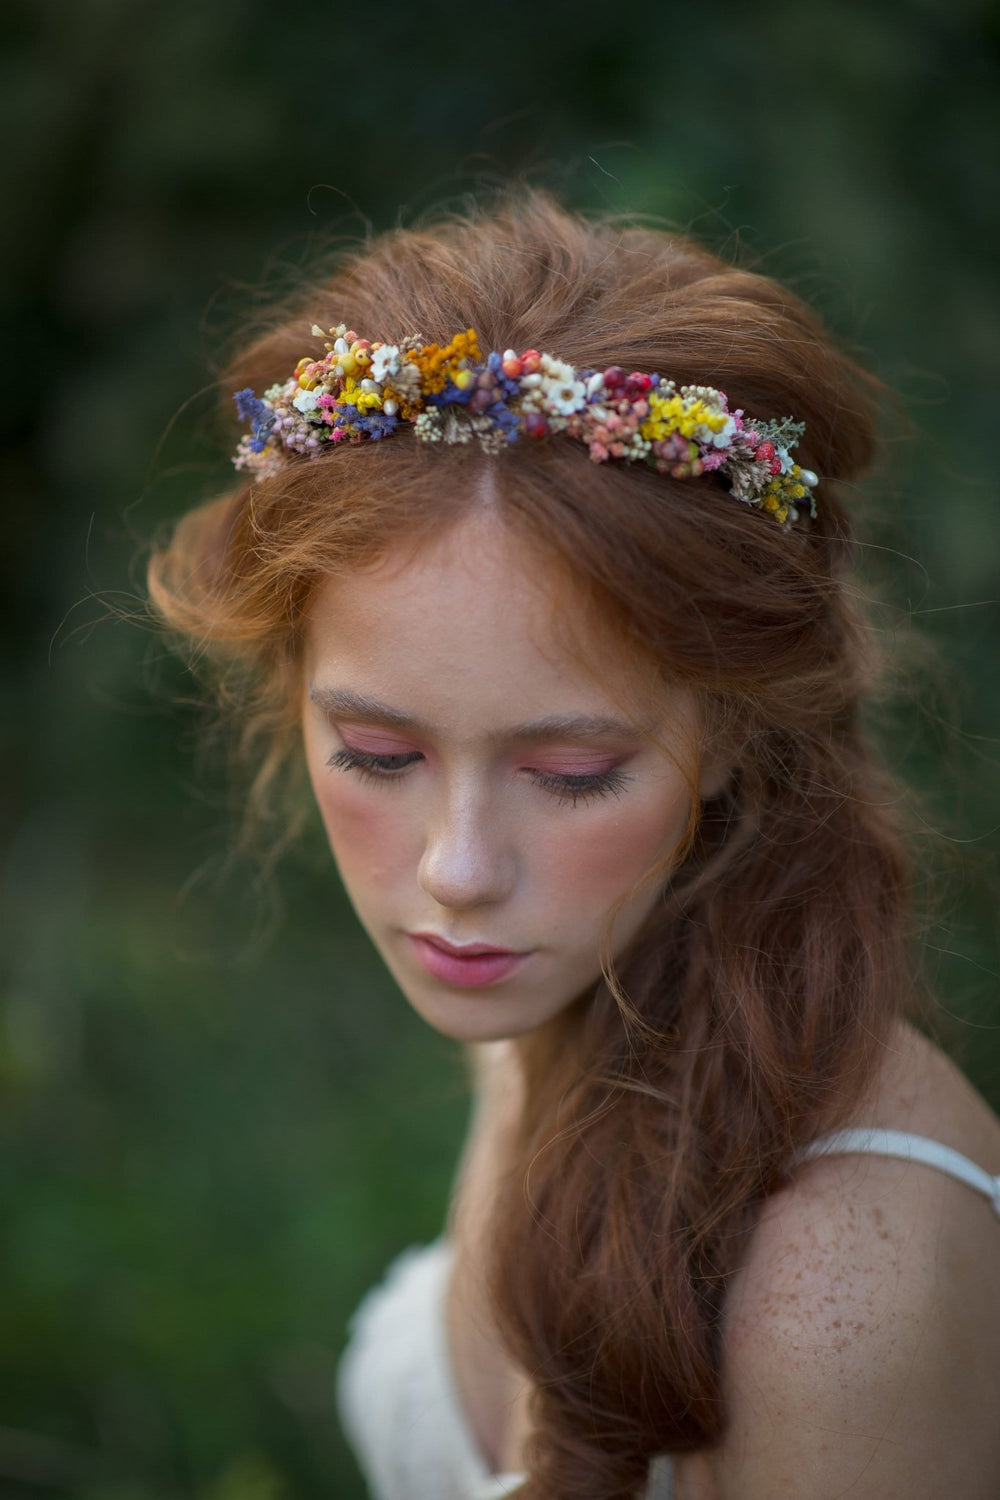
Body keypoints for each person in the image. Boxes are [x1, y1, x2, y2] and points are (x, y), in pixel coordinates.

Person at [146, 190, 1000, 1500]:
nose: (458, 871)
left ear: (728, 734)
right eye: (378, 755)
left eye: (570, 773)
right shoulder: (563, 985)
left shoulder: (840, 1299)